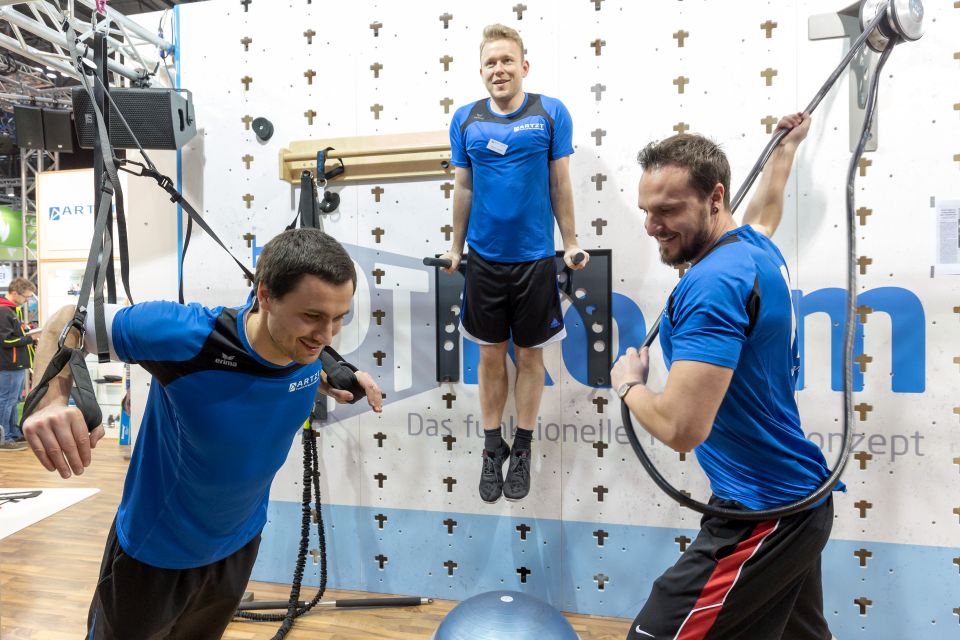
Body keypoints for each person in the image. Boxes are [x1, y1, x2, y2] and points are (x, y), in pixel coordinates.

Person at [22, 228, 383, 640]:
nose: (327, 335)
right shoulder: (189, 337)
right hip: (154, 553)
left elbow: (285, 364)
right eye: (313, 317)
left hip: (238, 546)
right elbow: (66, 320)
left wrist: (334, 371)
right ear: (265, 296)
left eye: (339, 318)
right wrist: (49, 401)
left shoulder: (307, 349)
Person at [611, 114, 841, 640]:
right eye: (647, 210)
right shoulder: (752, 249)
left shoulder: (714, 283)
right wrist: (785, 150)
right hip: (796, 498)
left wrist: (629, 385)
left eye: (668, 210)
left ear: (715, 197)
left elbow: (681, 429)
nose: (652, 226)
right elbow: (765, 214)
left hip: (764, 510)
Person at [441, 23, 588, 503]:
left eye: (507, 60)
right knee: (489, 356)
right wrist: (456, 249)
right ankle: (492, 448)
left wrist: (570, 242)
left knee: (529, 356)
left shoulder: (550, 112)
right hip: (484, 261)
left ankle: (521, 447)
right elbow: (463, 187)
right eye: (491, 62)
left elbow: (560, 183)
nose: (499, 69)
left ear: (524, 66)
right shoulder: (466, 119)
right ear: (481, 70)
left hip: (534, 261)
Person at [0, 277, 36, 451]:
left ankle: (13, 433)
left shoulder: (12, 310)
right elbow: (5, 341)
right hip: (9, 365)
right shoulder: (4, 311)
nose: (27, 300)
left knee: (13, 401)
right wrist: (30, 338)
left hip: (16, 365)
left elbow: (14, 334)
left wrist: (27, 333)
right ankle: (3, 438)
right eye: (26, 297)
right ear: (14, 293)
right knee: (6, 401)